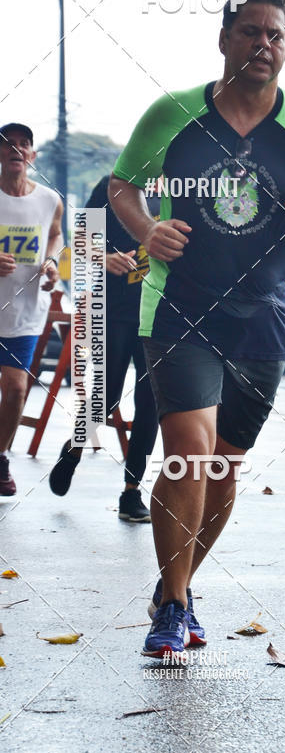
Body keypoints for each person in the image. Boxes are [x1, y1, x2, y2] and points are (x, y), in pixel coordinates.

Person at [108, 0, 285, 657]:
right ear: (224, 39)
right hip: (179, 306)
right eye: (249, 31)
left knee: (223, 469)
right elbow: (122, 184)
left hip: (263, 317)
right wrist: (146, 230)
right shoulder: (171, 115)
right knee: (189, 454)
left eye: (275, 34)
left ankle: (180, 587)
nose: (263, 44)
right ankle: (170, 606)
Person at [48, 175, 159, 521]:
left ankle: (131, 492)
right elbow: (78, 242)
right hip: (115, 308)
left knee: (150, 401)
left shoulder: (186, 185)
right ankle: (74, 448)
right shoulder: (116, 182)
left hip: (162, 312)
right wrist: (105, 257)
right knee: (106, 395)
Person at [0, 123, 62, 495]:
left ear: (32, 156)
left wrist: (53, 264)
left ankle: (1, 454)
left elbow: (57, 236)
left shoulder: (50, 200)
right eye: (8, 143)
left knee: (17, 387)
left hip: (24, 311)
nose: (16, 148)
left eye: (24, 144)